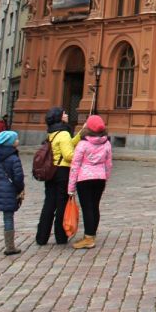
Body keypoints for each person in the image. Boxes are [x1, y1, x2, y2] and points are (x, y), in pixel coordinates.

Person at [36, 106, 82, 245]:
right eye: (64, 113)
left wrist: (80, 134)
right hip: (62, 172)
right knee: (62, 204)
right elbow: (68, 155)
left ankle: (41, 237)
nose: (67, 115)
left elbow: (67, 144)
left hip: (51, 171)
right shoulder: (64, 133)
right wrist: (81, 156)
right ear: (60, 117)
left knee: (49, 203)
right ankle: (61, 237)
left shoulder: (53, 132)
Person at [67, 114, 113, 249]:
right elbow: (109, 164)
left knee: (87, 207)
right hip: (100, 178)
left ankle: (88, 238)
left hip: (84, 179)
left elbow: (75, 166)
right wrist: (105, 178)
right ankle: (91, 234)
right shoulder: (107, 143)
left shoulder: (83, 144)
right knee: (95, 206)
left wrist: (71, 188)